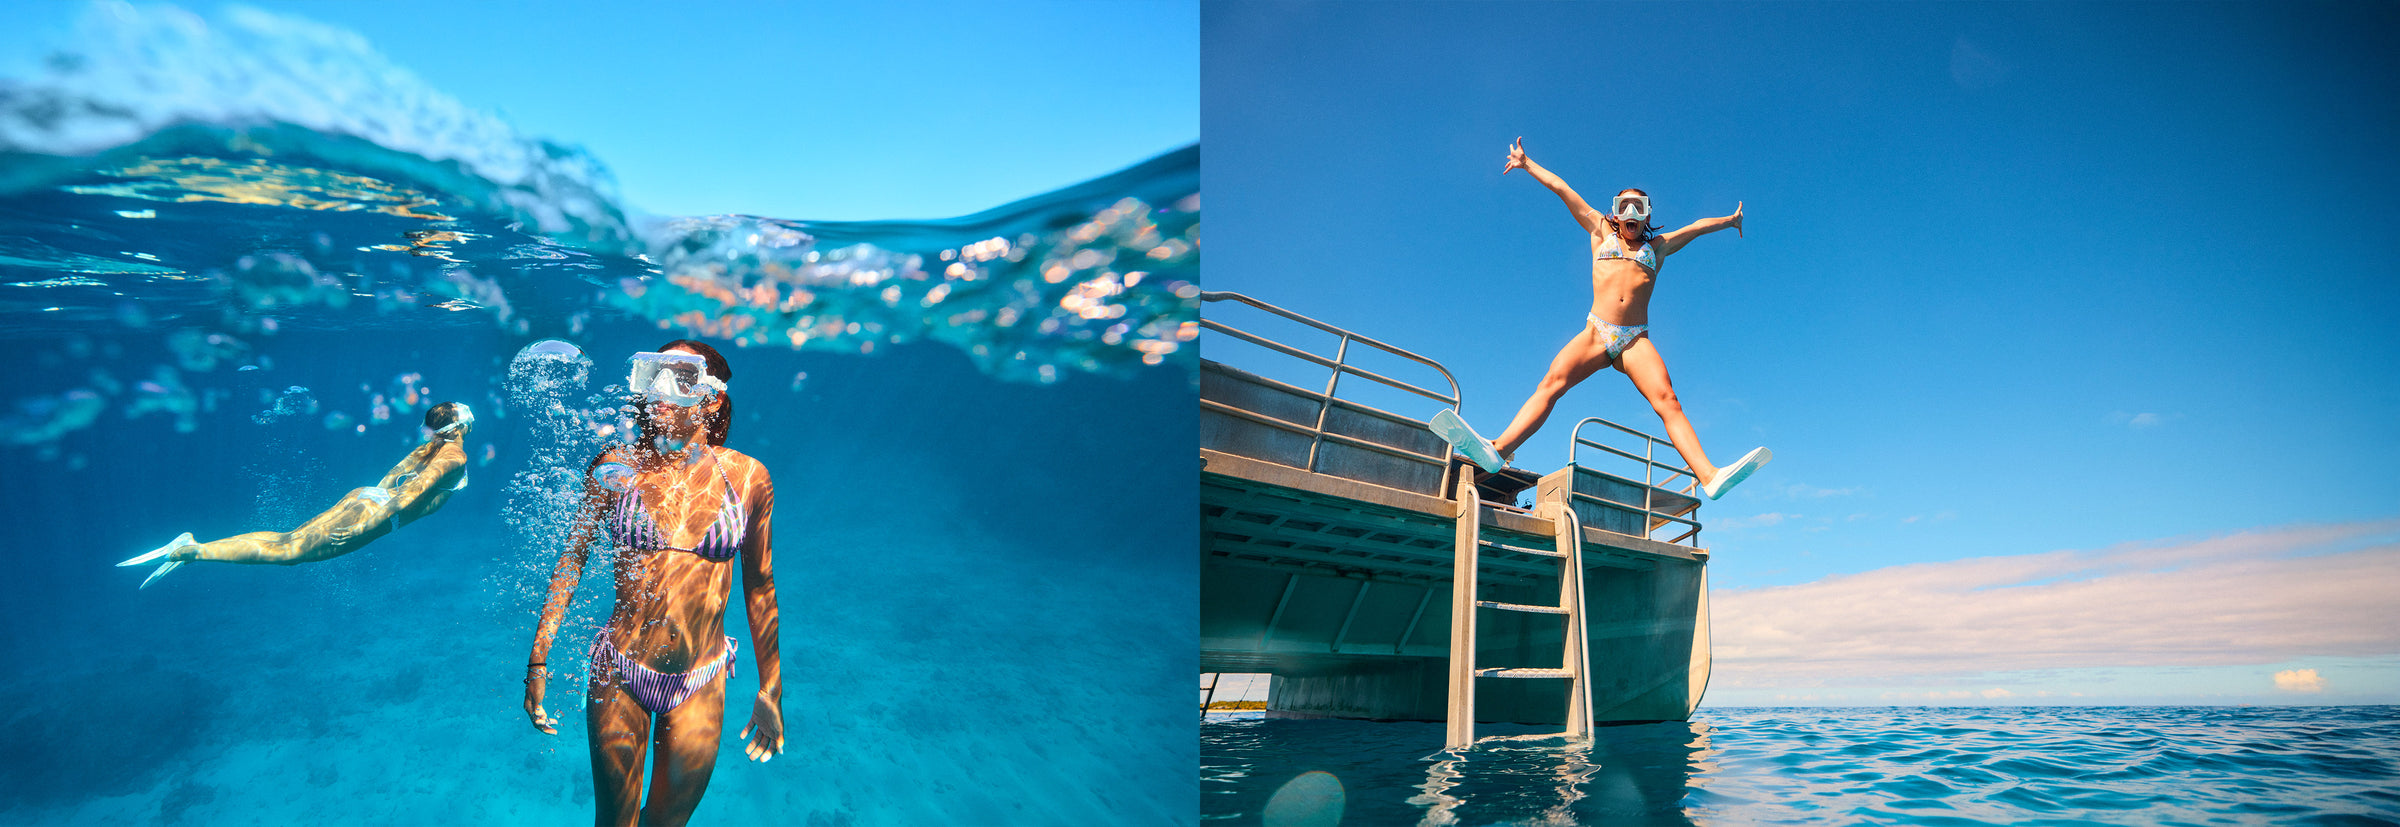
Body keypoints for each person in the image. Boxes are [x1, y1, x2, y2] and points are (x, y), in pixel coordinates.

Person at [523, 339, 784, 827]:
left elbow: (760, 586)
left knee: (667, 823)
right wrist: (538, 659)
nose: (660, 393)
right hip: (620, 670)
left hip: (700, 679)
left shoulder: (749, 478)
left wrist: (772, 688)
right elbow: (570, 562)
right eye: (652, 377)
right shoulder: (616, 468)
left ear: (712, 397)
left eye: (679, 379)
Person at [1477, 137, 1770, 499]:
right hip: (1597, 331)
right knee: (1551, 384)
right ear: (1615, 213)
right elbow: (1562, 189)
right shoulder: (1600, 232)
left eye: (1638, 207)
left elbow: (1696, 227)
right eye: (1624, 206)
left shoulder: (1657, 248)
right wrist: (1527, 163)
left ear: (1646, 215)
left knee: (1668, 400)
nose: (1631, 213)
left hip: (1634, 338)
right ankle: (1499, 449)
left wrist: (1730, 220)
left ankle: (1709, 476)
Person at [116, 401, 476, 588]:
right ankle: (192, 551)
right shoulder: (453, 455)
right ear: (459, 426)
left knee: (287, 541)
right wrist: (367, 524)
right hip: (381, 515)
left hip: (365, 497)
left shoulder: (429, 447)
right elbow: (411, 491)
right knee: (290, 554)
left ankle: (194, 545)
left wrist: (369, 505)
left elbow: (394, 476)